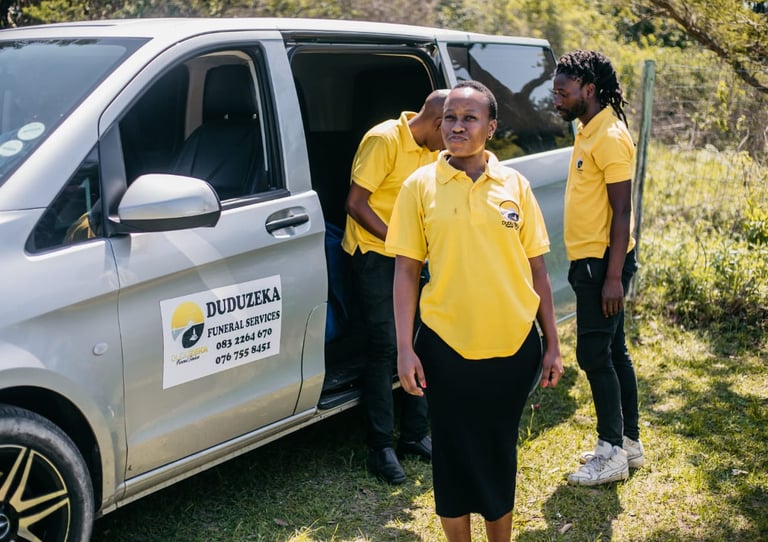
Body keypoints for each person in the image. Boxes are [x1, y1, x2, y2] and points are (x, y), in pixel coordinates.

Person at [387, 80, 563, 542]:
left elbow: (537, 270)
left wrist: (552, 345)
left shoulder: (515, 185)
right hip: (445, 346)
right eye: (450, 117)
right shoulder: (419, 186)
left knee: (498, 451)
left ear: (492, 127)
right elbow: (406, 271)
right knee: (451, 453)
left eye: (470, 118)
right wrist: (404, 348)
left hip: (514, 346)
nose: (457, 126)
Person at [342, 89, 450, 484]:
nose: (452, 139)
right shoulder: (384, 139)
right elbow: (356, 203)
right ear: (436, 123)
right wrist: (400, 243)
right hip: (374, 254)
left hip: (411, 257)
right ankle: (380, 447)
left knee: (421, 341)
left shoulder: (431, 151)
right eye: (448, 130)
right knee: (386, 346)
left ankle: (415, 435)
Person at [552, 50, 644, 486]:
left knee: (593, 354)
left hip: (601, 264)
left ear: (588, 90)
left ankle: (610, 453)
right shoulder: (588, 128)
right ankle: (628, 442)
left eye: (563, 92)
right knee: (613, 351)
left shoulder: (608, 135)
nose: (556, 99)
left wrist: (612, 277)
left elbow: (622, 211)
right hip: (591, 261)